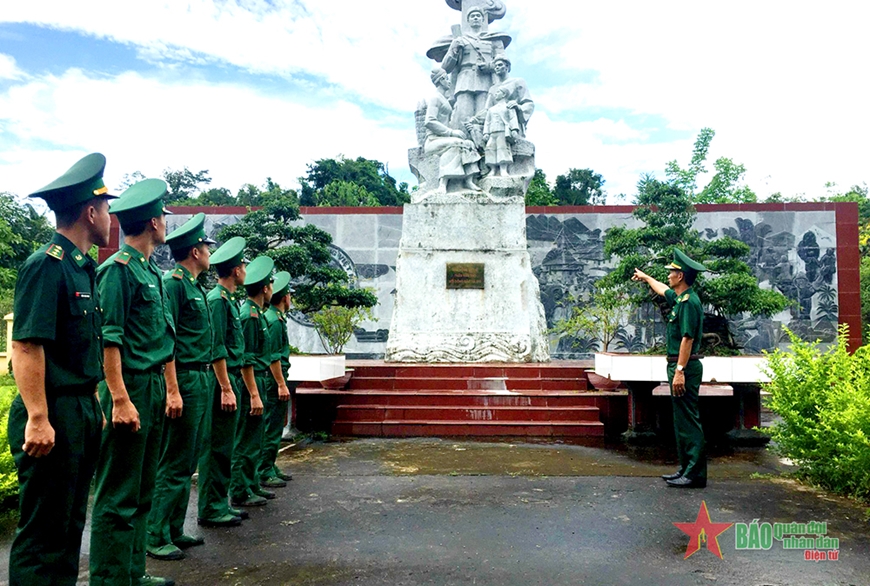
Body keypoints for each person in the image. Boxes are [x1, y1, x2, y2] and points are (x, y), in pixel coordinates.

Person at [7, 153, 114, 586]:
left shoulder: (84, 269)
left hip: (78, 409)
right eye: (107, 208)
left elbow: (78, 349)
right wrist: (37, 417)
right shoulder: (45, 266)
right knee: (43, 534)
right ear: (91, 211)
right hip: (50, 412)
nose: (110, 216)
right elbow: (26, 345)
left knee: (69, 528)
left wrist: (93, 401)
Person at [89, 179, 177, 586]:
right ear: (154, 222)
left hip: (152, 385)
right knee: (118, 493)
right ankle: (110, 578)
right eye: (163, 218)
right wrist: (120, 399)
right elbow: (110, 338)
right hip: (130, 387)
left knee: (142, 488)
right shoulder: (117, 271)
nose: (165, 225)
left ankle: (133, 570)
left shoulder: (147, 270)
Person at [146, 213, 216, 561]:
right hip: (184, 378)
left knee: (187, 460)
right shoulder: (173, 284)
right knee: (173, 461)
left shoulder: (193, 285)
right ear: (194, 251)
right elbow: (167, 339)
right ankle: (156, 533)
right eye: (205, 245)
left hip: (200, 377)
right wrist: (172, 389)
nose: (208, 251)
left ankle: (174, 527)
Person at [632, 249, 707, 489]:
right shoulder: (680, 298)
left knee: (689, 421)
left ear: (681, 276)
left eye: (673, 272)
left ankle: (695, 473)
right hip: (678, 364)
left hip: (684, 365)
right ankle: (686, 468)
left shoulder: (689, 303)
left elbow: (687, 339)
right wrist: (645, 277)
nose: (669, 276)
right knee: (681, 421)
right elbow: (662, 289)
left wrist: (680, 371)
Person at [197, 236, 249, 527]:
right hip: (222, 380)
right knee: (215, 447)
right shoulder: (217, 300)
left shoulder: (228, 299)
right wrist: (226, 387)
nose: (245, 270)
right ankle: (211, 507)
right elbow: (216, 346)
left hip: (230, 377)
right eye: (242, 265)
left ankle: (219, 502)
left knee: (225, 446)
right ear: (235, 271)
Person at [230, 255, 274, 507]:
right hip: (251, 382)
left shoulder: (257, 313)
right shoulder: (249, 316)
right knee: (245, 439)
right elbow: (246, 358)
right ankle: (240, 489)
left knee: (254, 439)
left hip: (258, 379)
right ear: (265, 288)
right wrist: (254, 393)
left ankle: (251, 483)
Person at [259, 271, 294, 488]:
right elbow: (273, 357)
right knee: (270, 427)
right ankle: (264, 470)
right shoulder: (273, 320)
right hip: (273, 381)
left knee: (275, 427)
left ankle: (270, 464)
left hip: (277, 379)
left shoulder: (277, 318)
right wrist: (281, 384)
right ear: (284, 297)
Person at [441, 7, 502, 128]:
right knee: (463, 114)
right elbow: (445, 68)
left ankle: (483, 144)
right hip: (464, 80)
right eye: (472, 16)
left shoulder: (493, 40)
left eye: (478, 16)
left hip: (485, 81)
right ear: (468, 20)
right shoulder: (460, 40)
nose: (475, 18)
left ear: (482, 20)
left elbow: (504, 63)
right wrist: (454, 48)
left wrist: (489, 66)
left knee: (483, 115)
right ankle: (462, 144)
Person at [424, 67, 482, 192]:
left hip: (443, 139)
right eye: (446, 79)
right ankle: (442, 184)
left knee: (469, 143)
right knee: (456, 143)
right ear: (440, 80)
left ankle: (469, 180)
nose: (449, 81)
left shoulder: (444, 99)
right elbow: (429, 121)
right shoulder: (435, 98)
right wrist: (451, 132)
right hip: (433, 140)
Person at [482, 86, 520, 176]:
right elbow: (487, 122)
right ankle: (493, 169)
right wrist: (486, 133)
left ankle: (503, 169)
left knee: (502, 149)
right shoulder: (491, 109)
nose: (496, 94)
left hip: (503, 131)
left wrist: (514, 130)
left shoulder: (508, 107)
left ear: (503, 94)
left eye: (498, 92)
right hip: (492, 132)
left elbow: (513, 118)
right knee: (490, 149)